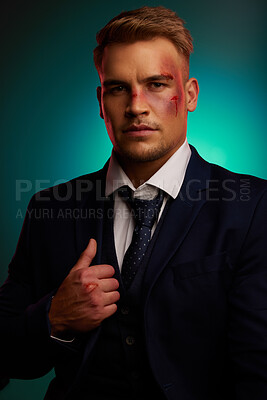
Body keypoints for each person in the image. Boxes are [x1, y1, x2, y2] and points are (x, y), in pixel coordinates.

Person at [0, 5, 267, 400]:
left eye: (157, 84)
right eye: (118, 88)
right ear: (101, 100)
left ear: (189, 94)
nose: (136, 106)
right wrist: (55, 318)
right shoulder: (48, 209)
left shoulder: (254, 208)